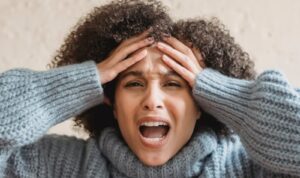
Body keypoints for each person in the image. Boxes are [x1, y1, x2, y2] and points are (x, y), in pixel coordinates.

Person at [0, 0, 299, 177]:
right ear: (110, 100)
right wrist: (80, 82)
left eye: (173, 84)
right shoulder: (60, 166)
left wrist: (223, 92)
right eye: (133, 83)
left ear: (202, 103)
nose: (152, 100)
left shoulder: (244, 168)